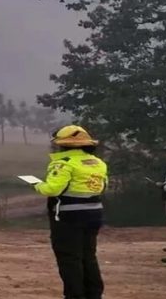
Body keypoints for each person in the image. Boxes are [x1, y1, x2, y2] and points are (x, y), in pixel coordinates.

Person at [33, 125, 107, 299]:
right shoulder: (98, 163)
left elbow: (52, 189)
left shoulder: (63, 163)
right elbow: (103, 187)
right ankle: (94, 294)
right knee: (88, 255)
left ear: (63, 145)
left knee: (69, 258)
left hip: (68, 217)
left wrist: (36, 184)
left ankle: (75, 295)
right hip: (94, 214)